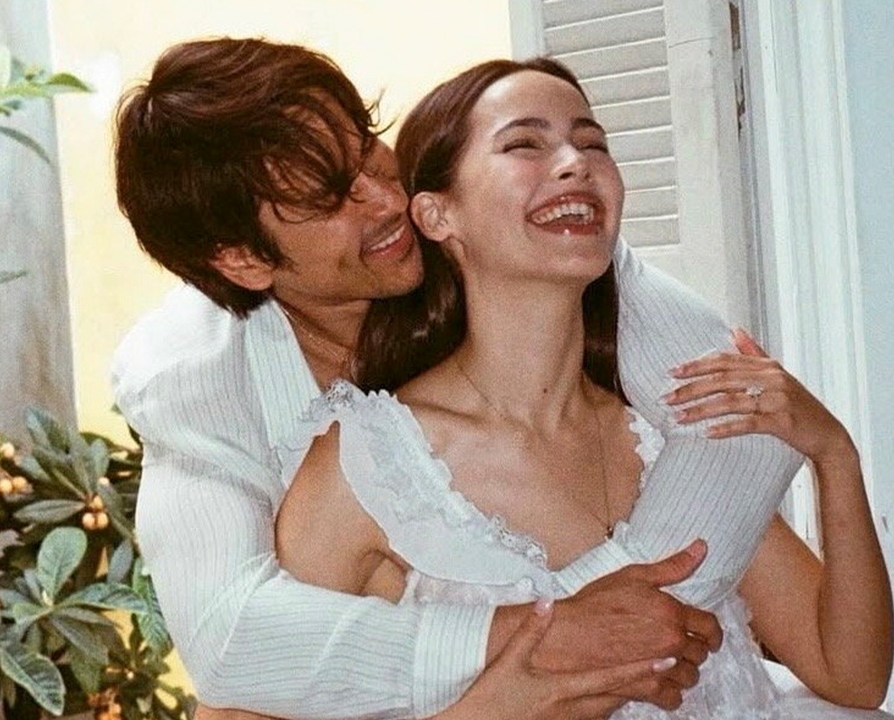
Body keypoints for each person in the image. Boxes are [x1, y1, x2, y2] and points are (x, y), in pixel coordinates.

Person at [111, 38, 802, 718]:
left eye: (367, 150)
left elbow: (738, 418)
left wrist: (630, 615)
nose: (386, 200)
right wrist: (547, 632)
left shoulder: (485, 228)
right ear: (242, 259)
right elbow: (231, 646)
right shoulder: (188, 377)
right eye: (331, 196)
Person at [272, 57, 894, 719]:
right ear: (437, 214)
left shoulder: (673, 432)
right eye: (525, 144)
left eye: (593, 143)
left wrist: (834, 454)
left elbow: (852, 675)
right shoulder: (371, 466)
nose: (576, 163)